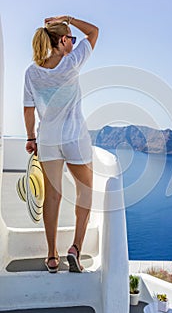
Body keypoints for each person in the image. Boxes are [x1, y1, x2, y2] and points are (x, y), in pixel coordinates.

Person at [23, 15, 99, 273]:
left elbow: (28, 110)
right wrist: (69, 18)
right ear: (64, 40)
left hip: (48, 140)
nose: (74, 43)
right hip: (75, 138)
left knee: (52, 196)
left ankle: (52, 256)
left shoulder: (32, 72)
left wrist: (31, 138)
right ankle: (75, 248)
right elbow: (94, 32)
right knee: (85, 191)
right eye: (71, 39)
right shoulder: (72, 62)